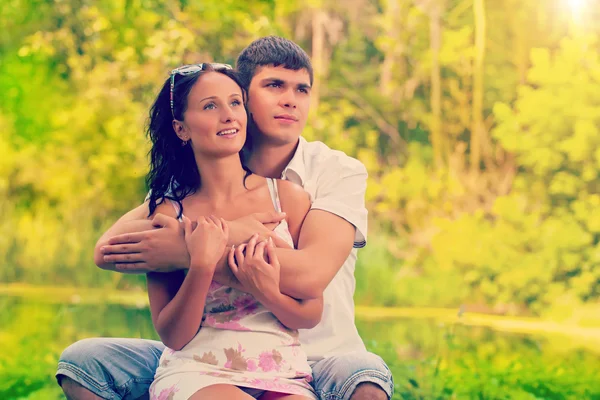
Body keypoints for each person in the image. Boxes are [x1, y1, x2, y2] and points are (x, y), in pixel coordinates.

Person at [57, 36, 394, 400]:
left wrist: (193, 248)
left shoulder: (331, 173)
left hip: (314, 358)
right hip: (199, 357)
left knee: (367, 378)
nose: (290, 100)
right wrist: (222, 235)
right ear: (246, 98)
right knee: (82, 361)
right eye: (274, 85)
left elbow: (311, 277)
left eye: (302, 89)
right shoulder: (188, 183)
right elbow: (107, 251)